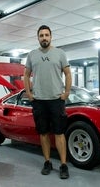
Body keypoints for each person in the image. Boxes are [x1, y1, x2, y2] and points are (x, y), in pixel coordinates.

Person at [24, 25, 72, 179]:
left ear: (51, 37)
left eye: (46, 35)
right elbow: (25, 75)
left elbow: (68, 73)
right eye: (41, 35)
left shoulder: (60, 53)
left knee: (59, 133)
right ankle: (47, 162)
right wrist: (29, 94)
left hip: (56, 100)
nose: (44, 38)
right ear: (38, 38)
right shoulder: (32, 55)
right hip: (39, 101)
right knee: (43, 133)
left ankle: (63, 165)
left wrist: (66, 93)